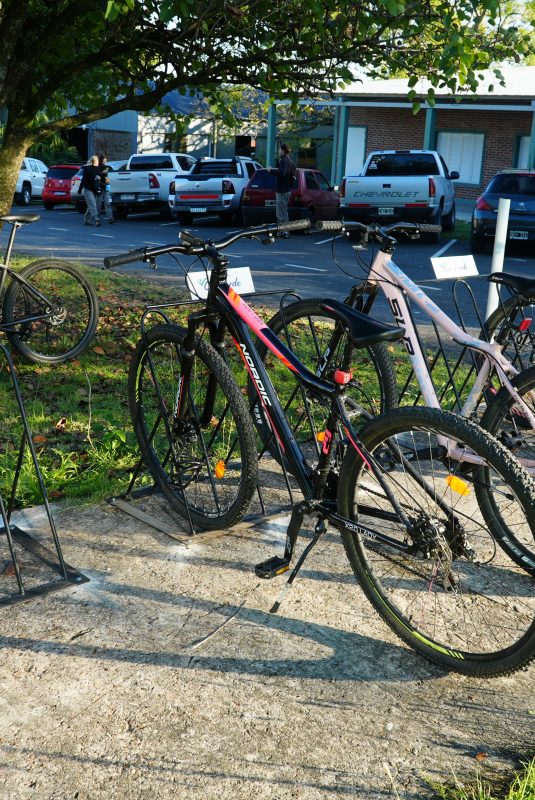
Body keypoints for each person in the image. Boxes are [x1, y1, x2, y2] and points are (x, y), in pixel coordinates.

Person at [270, 144, 295, 237]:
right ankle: (280, 231)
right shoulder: (291, 161)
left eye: (280, 150)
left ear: (283, 151)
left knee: (281, 212)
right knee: (281, 212)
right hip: (287, 189)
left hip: (282, 190)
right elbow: (293, 175)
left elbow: (282, 173)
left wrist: (271, 171)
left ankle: (285, 231)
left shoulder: (284, 160)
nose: (279, 152)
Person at [78, 155, 102, 226]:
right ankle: (97, 219)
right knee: (93, 204)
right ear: (94, 161)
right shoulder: (87, 169)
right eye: (97, 160)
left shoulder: (98, 169)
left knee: (91, 205)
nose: (98, 162)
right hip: (87, 189)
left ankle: (86, 219)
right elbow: (83, 180)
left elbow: (100, 179)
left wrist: (99, 178)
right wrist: (80, 189)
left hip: (95, 189)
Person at [96, 154, 115, 224]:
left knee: (107, 203)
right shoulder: (97, 168)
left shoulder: (106, 167)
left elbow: (108, 177)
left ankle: (110, 218)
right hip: (99, 187)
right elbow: (97, 176)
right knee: (99, 204)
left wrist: (108, 186)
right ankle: (97, 218)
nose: (105, 162)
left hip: (106, 187)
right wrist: (102, 173)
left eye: (105, 161)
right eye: (104, 161)